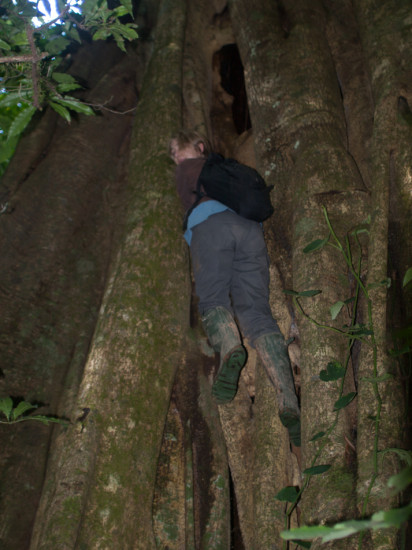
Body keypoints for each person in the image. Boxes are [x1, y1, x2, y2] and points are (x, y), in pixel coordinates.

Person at [169, 130, 301, 446]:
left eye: (178, 152)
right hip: (249, 232)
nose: (176, 159)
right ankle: (289, 402)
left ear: (199, 147)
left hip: (210, 228)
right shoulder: (227, 169)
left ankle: (230, 349)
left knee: (213, 298)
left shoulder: (186, 172)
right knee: (258, 314)